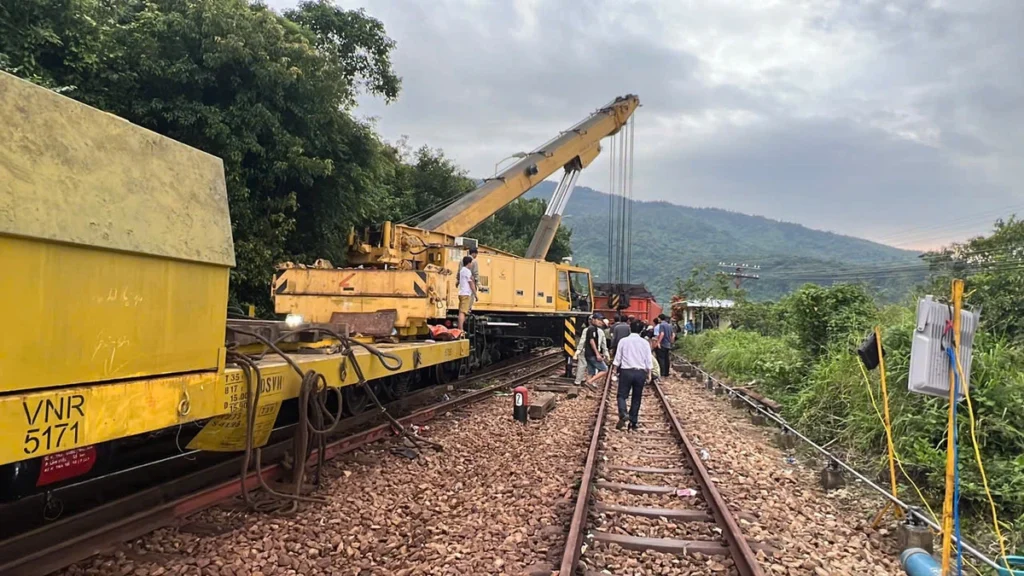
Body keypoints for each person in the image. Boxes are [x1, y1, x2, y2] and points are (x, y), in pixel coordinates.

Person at [611, 320, 653, 430]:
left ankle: (623, 413)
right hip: (640, 372)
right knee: (636, 397)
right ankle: (633, 422)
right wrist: (649, 374)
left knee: (621, 395)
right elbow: (648, 360)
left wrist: (614, 370)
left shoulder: (623, 341)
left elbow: (618, 357)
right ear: (642, 330)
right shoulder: (645, 343)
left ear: (630, 328)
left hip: (626, 372)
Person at [584, 314, 609, 385]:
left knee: (591, 371)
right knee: (604, 369)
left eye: (601, 320)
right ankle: (590, 381)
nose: (600, 322)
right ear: (593, 319)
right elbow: (592, 342)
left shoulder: (592, 328)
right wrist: (597, 354)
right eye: (599, 320)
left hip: (588, 354)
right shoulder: (592, 329)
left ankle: (588, 387)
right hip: (592, 354)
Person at [457, 256, 475, 331]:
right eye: (471, 263)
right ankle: (460, 329)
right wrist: (475, 294)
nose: (471, 265)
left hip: (461, 293)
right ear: (469, 263)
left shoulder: (462, 271)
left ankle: (460, 328)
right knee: (463, 312)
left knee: (461, 311)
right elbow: (471, 283)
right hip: (466, 294)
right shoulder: (467, 271)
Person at [654, 314, 675, 378]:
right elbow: (673, 335)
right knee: (666, 359)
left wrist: (658, 343)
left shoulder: (661, 325)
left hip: (663, 344)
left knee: (661, 359)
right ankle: (666, 373)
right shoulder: (669, 325)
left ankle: (662, 373)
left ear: (660, 319)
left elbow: (662, 334)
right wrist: (671, 342)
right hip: (668, 345)